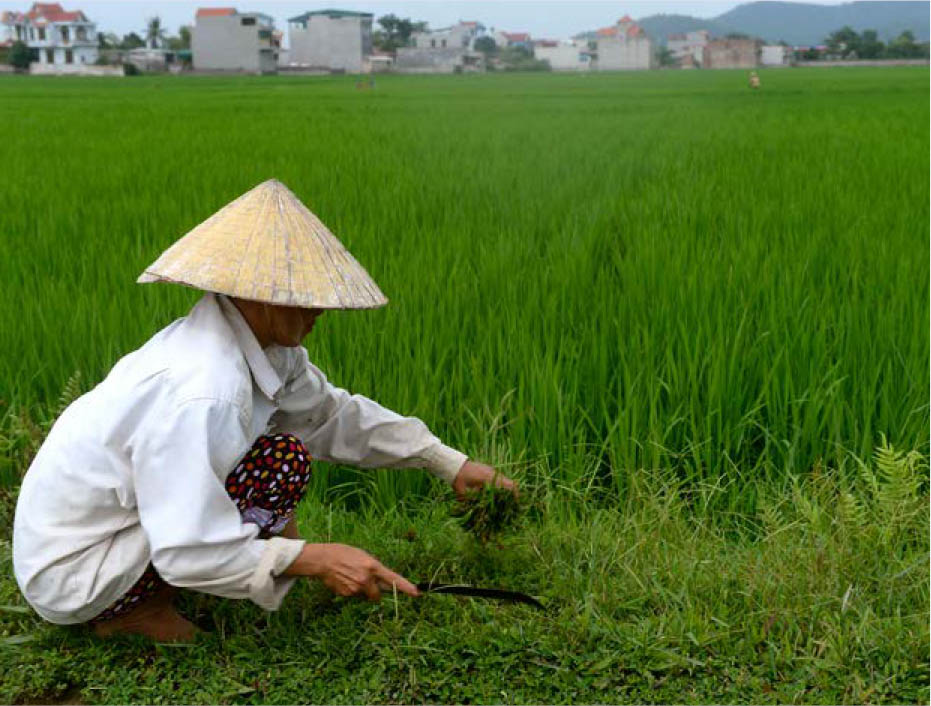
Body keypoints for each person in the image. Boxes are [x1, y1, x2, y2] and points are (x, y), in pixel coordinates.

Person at [12, 179, 516, 642]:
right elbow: (183, 545)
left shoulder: (267, 351)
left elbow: (330, 417)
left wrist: (446, 462)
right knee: (260, 481)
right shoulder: (205, 390)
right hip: (74, 567)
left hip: (120, 527)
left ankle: (254, 574)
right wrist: (316, 559)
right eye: (305, 297)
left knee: (283, 457)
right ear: (259, 296)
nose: (322, 310)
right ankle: (128, 613)